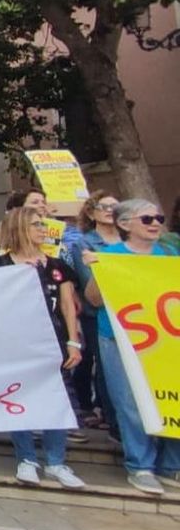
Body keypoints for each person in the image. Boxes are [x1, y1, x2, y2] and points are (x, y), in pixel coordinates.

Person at [0, 208, 88, 488]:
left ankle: (56, 461)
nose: (43, 229)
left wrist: (73, 341)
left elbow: (67, 305)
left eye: (43, 224)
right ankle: (26, 458)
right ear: (19, 228)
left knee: (57, 398)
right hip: (15, 344)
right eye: (36, 224)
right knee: (19, 399)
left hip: (54, 343)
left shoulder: (57, 266)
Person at [84, 199, 180, 495]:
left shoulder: (170, 256)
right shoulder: (109, 256)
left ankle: (171, 465)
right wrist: (100, 271)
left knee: (171, 399)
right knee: (130, 403)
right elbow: (94, 300)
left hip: (164, 339)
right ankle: (140, 465)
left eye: (158, 218)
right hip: (119, 339)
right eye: (147, 219)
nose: (155, 224)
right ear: (124, 224)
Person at [63, 191, 119, 432]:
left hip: (132, 314)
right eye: (104, 207)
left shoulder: (128, 242)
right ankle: (111, 418)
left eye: (115, 206)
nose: (110, 211)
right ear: (92, 213)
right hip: (98, 315)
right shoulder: (84, 244)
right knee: (106, 366)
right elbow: (90, 286)